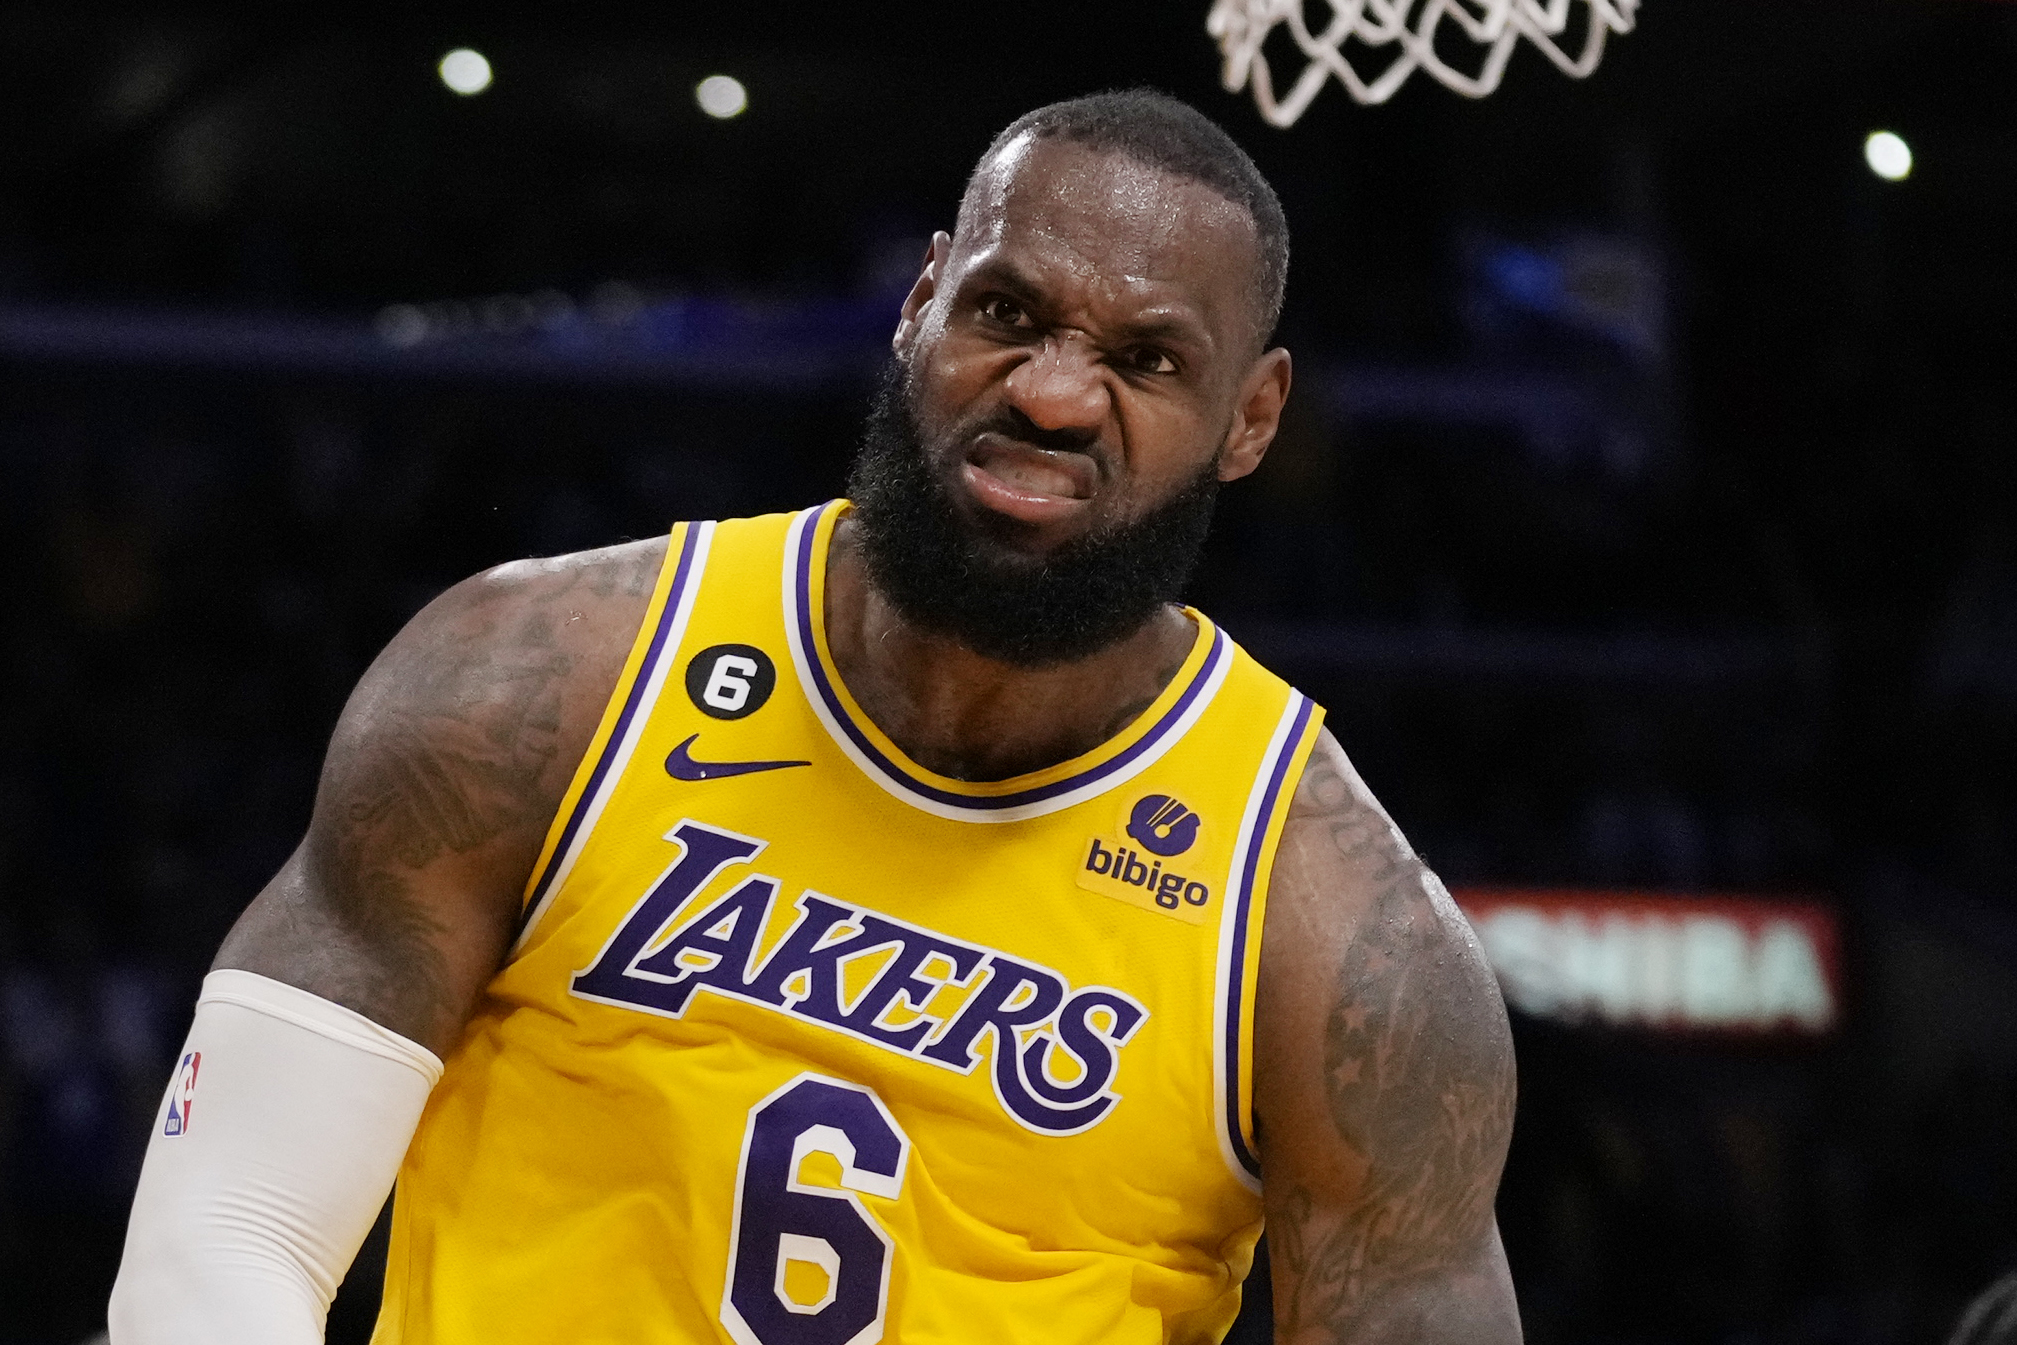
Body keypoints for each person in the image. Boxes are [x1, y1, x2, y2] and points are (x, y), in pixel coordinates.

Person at [108, 90, 1518, 1344]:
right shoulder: (541, 680)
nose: (1050, 392)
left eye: (1147, 360)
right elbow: (226, 1232)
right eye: (1008, 314)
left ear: (1250, 414)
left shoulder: (1332, 929)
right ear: (921, 302)